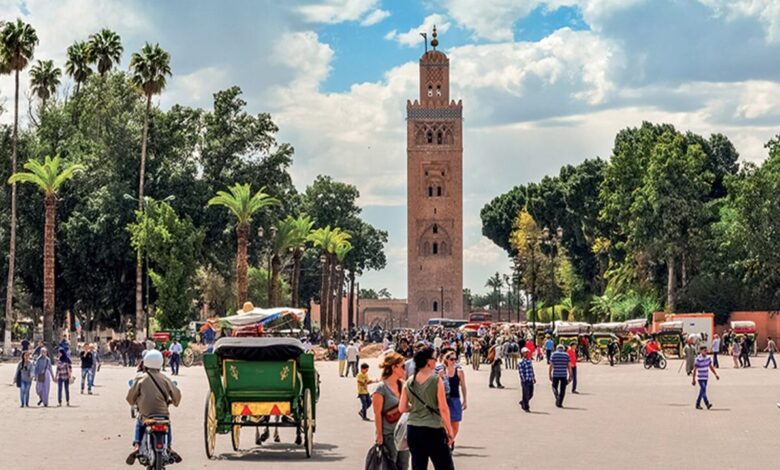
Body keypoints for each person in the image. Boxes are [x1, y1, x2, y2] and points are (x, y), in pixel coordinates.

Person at [399, 347, 455, 470]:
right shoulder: (436, 380)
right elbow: (443, 408)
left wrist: (415, 408)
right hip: (433, 429)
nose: (436, 362)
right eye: (434, 359)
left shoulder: (409, 381)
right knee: (444, 465)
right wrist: (450, 431)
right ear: (428, 361)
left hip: (413, 428)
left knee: (418, 465)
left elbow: (402, 408)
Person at [126, 349, 182, 465]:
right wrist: (173, 402)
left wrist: (135, 401)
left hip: (146, 415)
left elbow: (130, 398)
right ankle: (169, 447)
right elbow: (177, 396)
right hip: (162, 415)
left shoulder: (140, 378)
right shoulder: (165, 379)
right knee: (167, 423)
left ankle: (136, 446)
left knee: (139, 421)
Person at [372, 352, 411, 470]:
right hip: (388, 434)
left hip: (404, 434)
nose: (405, 369)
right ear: (394, 367)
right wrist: (379, 435)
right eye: (402, 366)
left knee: (403, 466)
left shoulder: (403, 385)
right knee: (389, 465)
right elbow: (377, 413)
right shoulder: (380, 388)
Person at [443, 351, 467, 445]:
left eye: (455, 359)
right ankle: (446, 443)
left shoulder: (459, 371)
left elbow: (463, 386)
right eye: (451, 359)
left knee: (455, 425)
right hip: (444, 399)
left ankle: (451, 440)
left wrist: (465, 400)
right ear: (446, 360)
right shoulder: (442, 371)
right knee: (444, 423)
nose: (454, 361)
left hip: (455, 399)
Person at [692, 345, 719, 409]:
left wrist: (715, 374)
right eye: (704, 351)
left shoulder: (708, 358)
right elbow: (695, 369)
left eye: (706, 350)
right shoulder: (698, 359)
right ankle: (707, 403)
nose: (706, 352)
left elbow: (710, 367)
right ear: (701, 351)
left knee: (702, 391)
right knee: (704, 390)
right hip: (700, 378)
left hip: (706, 377)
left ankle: (697, 404)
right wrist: (693, 379)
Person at [518, 347, 535, 412]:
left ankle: (523, 402)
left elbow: (531, 369)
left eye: (527, 352)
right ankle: (526, 407)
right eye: (525, 352)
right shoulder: (521, 362)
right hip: (525, 380)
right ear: (522, 353)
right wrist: (523, 379)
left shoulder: (529, 360)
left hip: (530, 379)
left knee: (531, 394)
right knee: (526, 393)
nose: (527, 353)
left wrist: (533, 377)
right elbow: (521, 371)